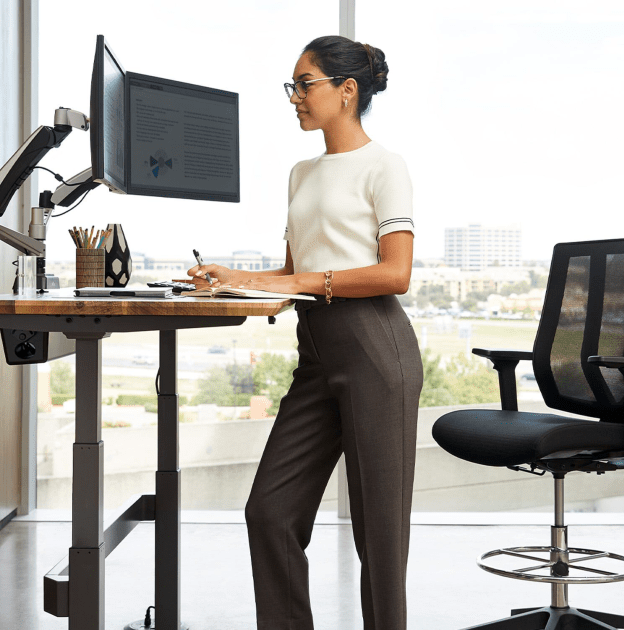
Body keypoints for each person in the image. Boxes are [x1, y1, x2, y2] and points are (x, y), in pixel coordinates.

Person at [186, 35, 423, 630]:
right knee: (270, 513)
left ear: (347, 92)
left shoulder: (385, 167)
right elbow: (293, 275)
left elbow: (395, 273)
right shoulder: (300, 173)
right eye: (291, 85)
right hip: (317, 356)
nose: (294, 96)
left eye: (304, 83)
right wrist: (233, 277)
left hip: (377, 352)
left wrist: (309, 282)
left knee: (380, 541)